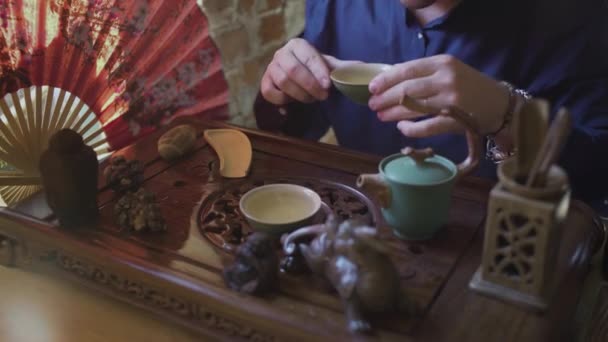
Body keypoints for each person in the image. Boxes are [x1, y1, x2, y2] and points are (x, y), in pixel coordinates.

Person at [254, 0, 608, 213]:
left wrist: (508, 115)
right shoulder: (339, 5)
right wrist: (280, 88)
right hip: (361, 241)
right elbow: (295, 126)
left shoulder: (572, 15)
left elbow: (596, 175)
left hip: (494, 268)